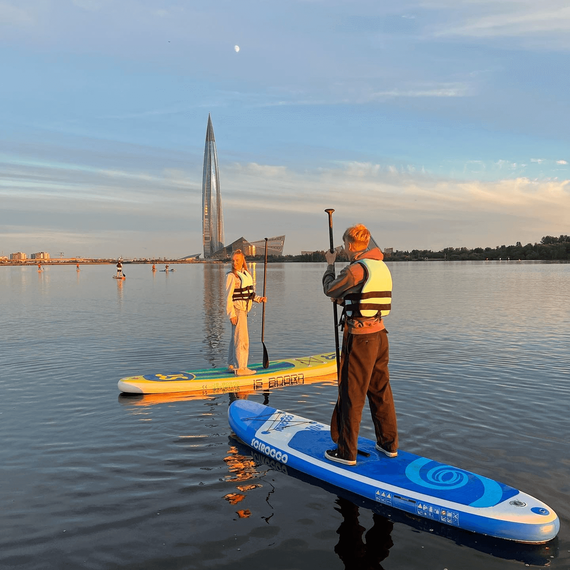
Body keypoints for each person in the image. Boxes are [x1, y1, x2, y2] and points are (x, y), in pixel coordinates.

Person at [322, 223, 397, 466]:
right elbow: (364, 297)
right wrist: (347, 301)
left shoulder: (356, 269)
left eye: (344, 245)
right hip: (380, 336)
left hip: (360, 339)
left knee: (351, 393)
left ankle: (346, 452)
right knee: (380, 391)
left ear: (352, 245)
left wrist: (330, 264)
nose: (343, 249)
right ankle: (388, 444)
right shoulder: (379, 265)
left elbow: (330, 289)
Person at [226, 249, 267, 376]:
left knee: (235, 339)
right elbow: (228, 297)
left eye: (237, 260)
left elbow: (249, 294)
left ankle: (232, 365)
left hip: (243, 309)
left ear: (242, 260)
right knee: (242, 340)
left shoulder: (245, 274)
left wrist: (259, 299)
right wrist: (231, 314)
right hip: (237, 310)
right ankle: (241, 368)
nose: (234, 263)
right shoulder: (232, 276)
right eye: (233, 260)